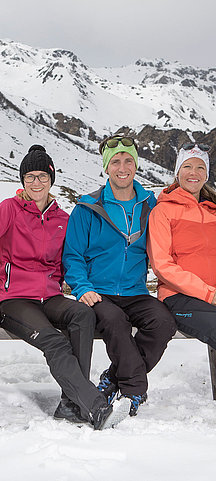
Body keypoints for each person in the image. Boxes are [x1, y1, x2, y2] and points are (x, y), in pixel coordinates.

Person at [0, 145, 112, 430]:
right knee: (54, 341)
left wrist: (85, 287)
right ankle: (91, 402)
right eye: (30, 177)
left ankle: (70, 402)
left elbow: (73, 260)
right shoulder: (9, 209)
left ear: (51, 179)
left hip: (50, 296)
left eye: (42, 176)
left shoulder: (62, 220)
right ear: (22, 181)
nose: (36, 182)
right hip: (15, 300)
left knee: (83, 315)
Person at [62, 134, 176, 417]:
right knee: (115, 322)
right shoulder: (87, 207)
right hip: (98, 291)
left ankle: (113, 378)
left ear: (136, 165)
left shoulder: (151, 205)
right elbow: (72, 255)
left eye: (128, 160)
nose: (122, 167)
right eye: (115, 162)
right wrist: (82, 287)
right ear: (106, 167)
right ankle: (133, 390)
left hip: (135, 291)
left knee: (163, 322)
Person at [147, 143, 216, 352]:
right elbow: (162, 265)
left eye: (200, 167)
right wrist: (209, 295)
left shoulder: (213, 212)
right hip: (179, 297)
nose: (193, 173)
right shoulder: (163, 211)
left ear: (206, 175)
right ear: (177, 173)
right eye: (187, 167)